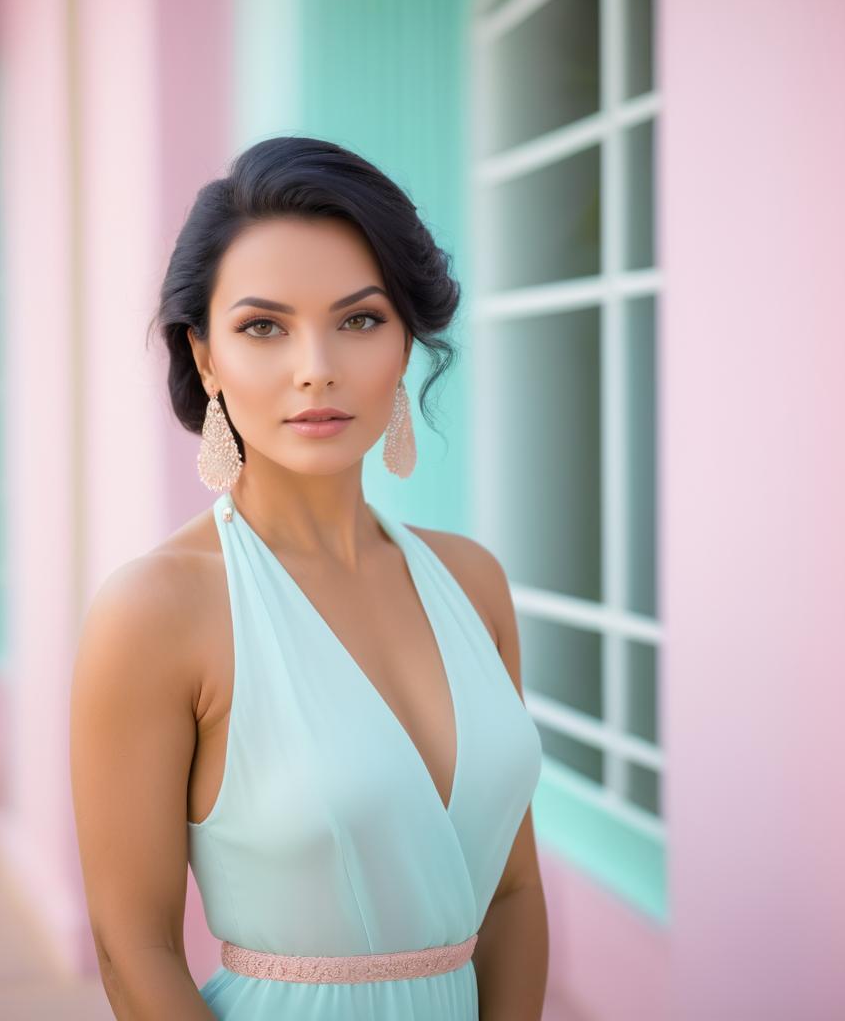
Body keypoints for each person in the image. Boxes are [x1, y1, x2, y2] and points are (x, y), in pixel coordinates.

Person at [69, 136, 547, 1020]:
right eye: (263, 327)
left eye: (360, 319)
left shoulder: (474, 583)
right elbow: (131, 949)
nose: (316, 365)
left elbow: (514, 895)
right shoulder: (157, 611)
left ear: (404, 344)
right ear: (205, 356)